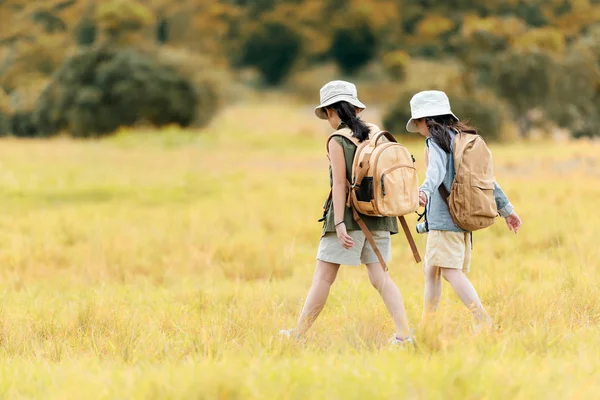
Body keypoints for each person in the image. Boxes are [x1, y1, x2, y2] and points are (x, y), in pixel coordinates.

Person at [280, 80, 414, 345]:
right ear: (355, 107)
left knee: (323, 277)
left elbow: (339, 185)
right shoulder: (375, 133)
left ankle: (298, 334)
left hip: (350, 216)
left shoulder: (337, 139)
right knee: (380, 277)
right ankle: (405, 335)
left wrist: (339, 223)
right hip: (379, 214)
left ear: (331, 111)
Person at [407, 90, 522, 329]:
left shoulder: (435, 141)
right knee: (432, 269)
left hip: (444, 219)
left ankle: (483, 320)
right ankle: (428, 325)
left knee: (450, 272)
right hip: (462, 216)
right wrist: (506, 209)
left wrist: (423, 191)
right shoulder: (462, 139)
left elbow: (435, 172)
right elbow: (487, 180)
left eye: (417, 121)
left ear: (426, 120)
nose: (417, 126)